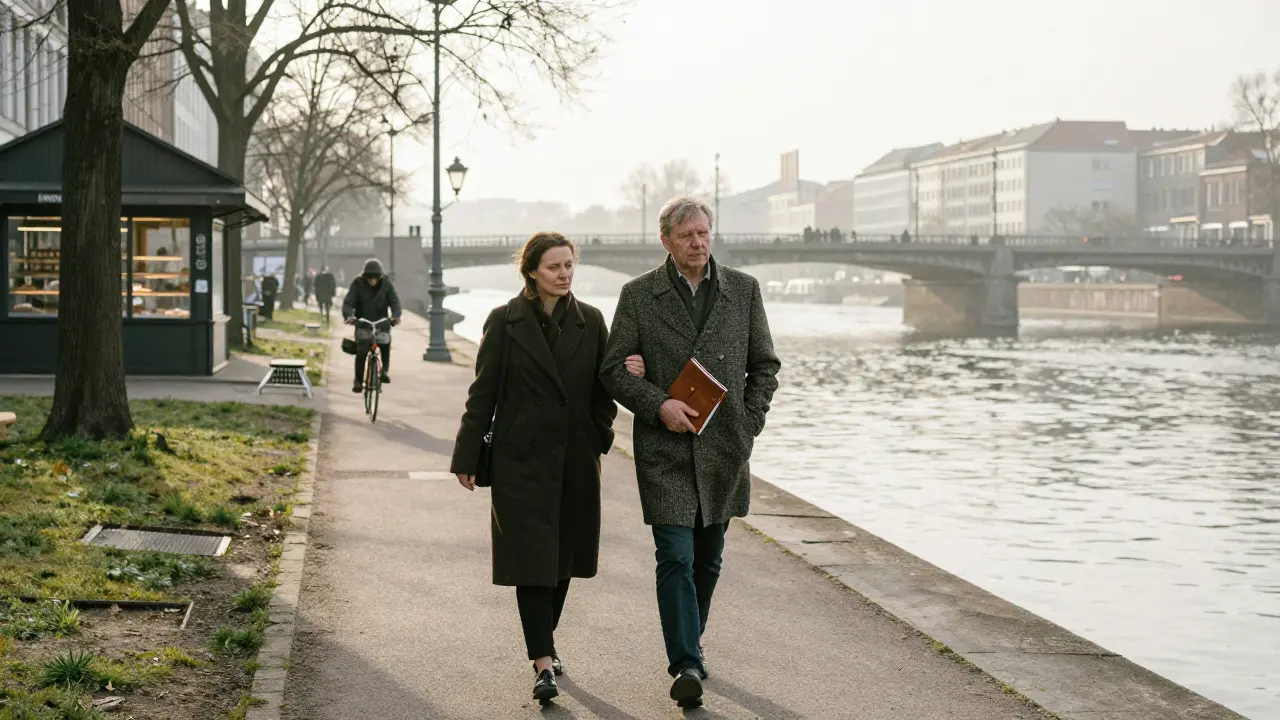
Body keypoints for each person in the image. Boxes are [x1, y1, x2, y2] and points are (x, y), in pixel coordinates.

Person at [600, 196, 781, 709]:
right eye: (688, 236)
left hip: (726, 448)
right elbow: (612, 369)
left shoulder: (743, 291)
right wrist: (659, 405)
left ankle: (691, 646)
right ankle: (684, 663)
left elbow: (765, 366)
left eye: (705, 233)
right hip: (665, 450)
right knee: (674, 556)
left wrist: (748, 426)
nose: (699, 243)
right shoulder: (638, 296)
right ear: (666, 242)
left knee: (709, 559)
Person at [450, 232, 619, 706]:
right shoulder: (505, 322)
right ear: (531, 272)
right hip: (519, 460)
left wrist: (597, 435)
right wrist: (466, 456)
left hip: (575, 460)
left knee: (563, 559)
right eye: (554, 267)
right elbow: (483, 394)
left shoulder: (591, 320)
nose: (564, 274)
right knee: (531, 561)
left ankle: (545, 640)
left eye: (569, 265)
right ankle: (543, 663)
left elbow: (604, 392)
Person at [342, 258, 401, 392]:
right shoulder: (357, 284)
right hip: (363, 322)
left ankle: (384, 371)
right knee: (362, 351)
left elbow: (395, 302)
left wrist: (395, 317)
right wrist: (349, 316)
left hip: (381, 322)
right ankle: (358, 381)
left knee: (385, 343)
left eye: (375, 278)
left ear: (380, 277)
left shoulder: (386, 284)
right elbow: (348, 302)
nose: (372, 281)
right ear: (365, 276)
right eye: (369, 278)